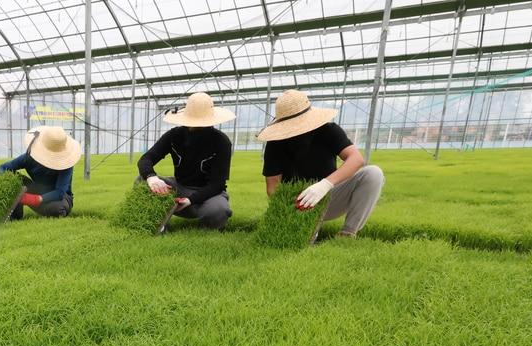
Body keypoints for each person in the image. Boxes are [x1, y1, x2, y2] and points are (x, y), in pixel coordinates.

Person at [255, 89, 384, 238]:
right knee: (297, 239)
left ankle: (348, 233)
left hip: (330, 195)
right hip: (297, 203)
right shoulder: (275, 143)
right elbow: (272, 186)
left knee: (373, 173)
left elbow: (356, 159)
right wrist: (290, 209)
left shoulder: (328, 131)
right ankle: (308, 224)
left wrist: (325, 184)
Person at [137, 92, 234, 231]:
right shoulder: (173, 136)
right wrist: (152, 178)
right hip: (179, 187)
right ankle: (161, 225)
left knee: (218, 211)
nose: (197, 126)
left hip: (208, 195)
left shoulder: (221, 142)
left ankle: (210, 226)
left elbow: (217, 184)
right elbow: (146, 159)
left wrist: (190, 200)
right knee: (141, 180)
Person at [0, 126, 80, 219]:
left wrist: (36, 199)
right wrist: (11, 190)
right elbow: (2, 168)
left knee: (59, 209)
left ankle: (46, 209)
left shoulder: (66, 163)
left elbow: (60, 192)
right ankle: (15, 214)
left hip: (60, 198)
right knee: (12, 177)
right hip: (38, 190)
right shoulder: (29, 157)